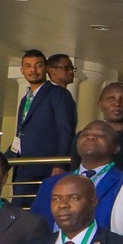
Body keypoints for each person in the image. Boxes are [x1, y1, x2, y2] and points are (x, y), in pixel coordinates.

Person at [32, 121, 123, 232]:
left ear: (116, 148)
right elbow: (35, 226)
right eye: (85, 134)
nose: (91, 137)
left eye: (100, 134)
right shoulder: (50, 183)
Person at [10, 48, 76, 198]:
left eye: (38, 65)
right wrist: (3, 163)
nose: (33, 70)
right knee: (21, 209)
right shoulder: (25, 99)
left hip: (47, 168)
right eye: (28, 66)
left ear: (46, 68)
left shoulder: (58, 93)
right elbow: (20, 135)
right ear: (22, 70)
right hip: (23, 168)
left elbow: (66, 130)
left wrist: (60, 162)